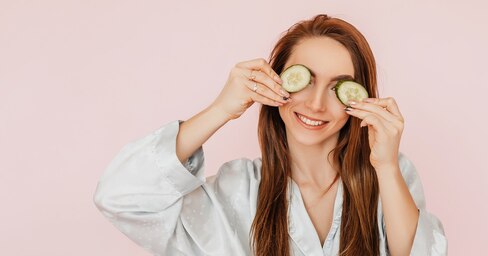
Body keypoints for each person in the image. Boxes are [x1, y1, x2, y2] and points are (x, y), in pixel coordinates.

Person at [94, 14, 447, 256]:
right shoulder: (237, 188)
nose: (316, 104)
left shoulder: (389, 173)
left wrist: (385, 165)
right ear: (274, 81)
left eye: (339, 88)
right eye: (303, 79)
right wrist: (220, 109)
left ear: (359, 99)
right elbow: (120, 197)